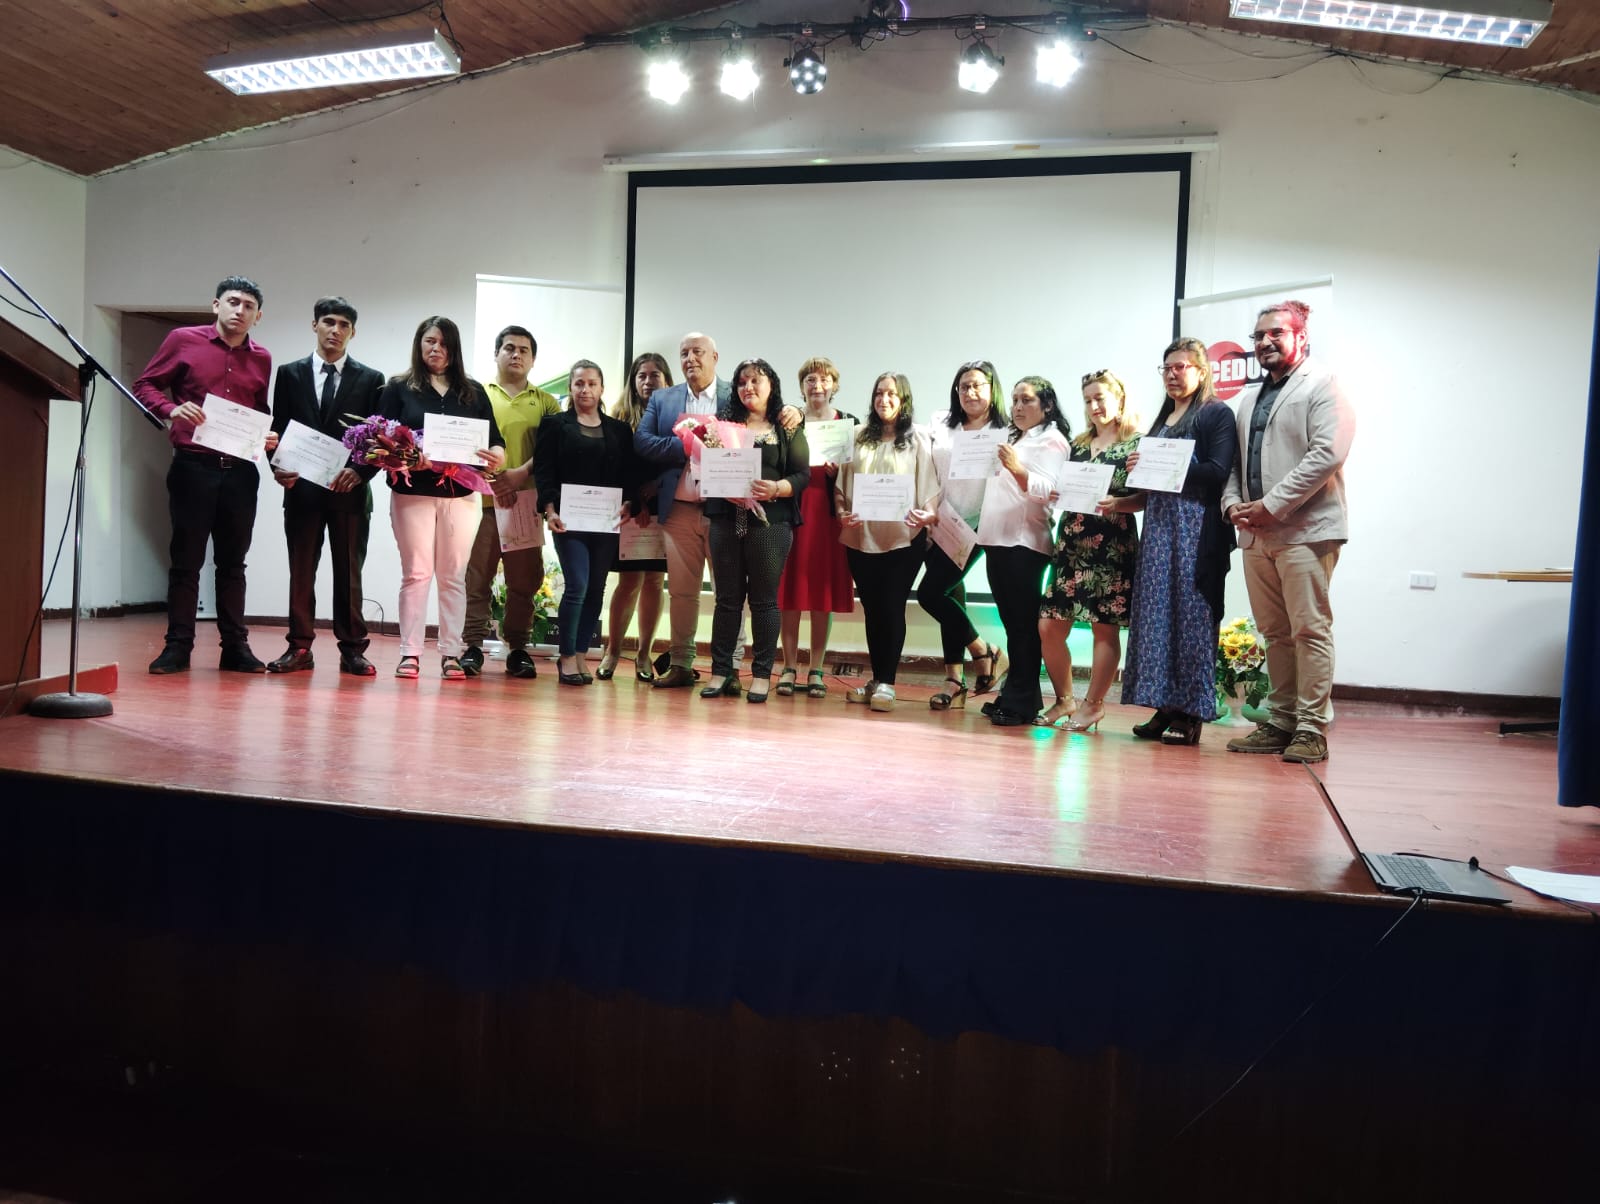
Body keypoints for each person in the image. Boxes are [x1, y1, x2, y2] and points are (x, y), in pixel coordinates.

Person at [1222, 300, 1356, 765]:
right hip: (1256, 535)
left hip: (1306, 531)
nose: (1265, 342)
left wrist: (1272, 506)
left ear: (1301, 336)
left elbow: (1327, 454)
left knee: (1310, 630)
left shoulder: (1323, 385)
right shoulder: (1248, 399)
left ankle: (1312, 728)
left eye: (1275, 333)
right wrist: (1231, 504)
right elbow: (1235, 464)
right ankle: (1281, 722)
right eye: (1259, 336)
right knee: (1275, 634)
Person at [634, 332, 798, 688]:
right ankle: (681, 663)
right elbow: (642, 442)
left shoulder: (735, 393)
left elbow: (772, 415)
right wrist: (689, 445)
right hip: (679, 509)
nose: (690, 358)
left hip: (725, 511)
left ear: (715, 357)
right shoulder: (663, 398)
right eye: (683, 353)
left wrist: (795, 411)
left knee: (730, 596)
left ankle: (730, 670)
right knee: (682, 592)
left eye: (698, 351)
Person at [135, 275, 276, 676]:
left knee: (233, 563)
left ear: (258, 316)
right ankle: (177, 647)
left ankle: (235, 648)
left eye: (248, 306)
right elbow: (145, 384)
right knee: (186, 560)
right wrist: (170, 409)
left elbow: (259, 410)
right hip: (193, 467)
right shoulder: (183, 340)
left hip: (241, 473)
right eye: (233, 302)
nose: (239, 310)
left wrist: (266, 437)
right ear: (216, 305)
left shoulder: (262, 358)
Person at [1112, 337, 1237, 745]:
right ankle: (1165, 705)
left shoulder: (1215, 413)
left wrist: (1166, 465)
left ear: (1201, 371)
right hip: (1160, 530)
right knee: (1158, 618)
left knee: (1192, 618)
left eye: (1181, 367)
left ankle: (1191, 712)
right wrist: (1137, 470)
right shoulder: (1164, 418)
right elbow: (1153, 481)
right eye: (1166, 368)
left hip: (1195, 529)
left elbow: (1217, 471)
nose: (1172, 374)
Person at [378, 317, 506, 680]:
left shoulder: (473, 391)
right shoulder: (398, 387)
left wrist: (497, 455)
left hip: (460, 494)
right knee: (416, 573)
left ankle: (451, 652)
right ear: (419, 344)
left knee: (453, 576)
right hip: (412, 493)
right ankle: (410, 653)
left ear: (455, 349)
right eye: (430, 341)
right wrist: (406, 456)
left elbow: (495, 440)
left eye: (444, 343)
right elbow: (381, 439)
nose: (436, 349)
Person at [266, 295, 385, 676]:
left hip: (349, 492)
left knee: (349, 575)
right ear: (314, 325)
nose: (335, 330)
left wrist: (361, 472)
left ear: (353, 333)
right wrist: (277, 467)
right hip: (301, 490)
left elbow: (377, 439)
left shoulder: (371, 379)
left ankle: (352, 650)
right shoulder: (289, 374)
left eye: (344, 325)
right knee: (301, 572)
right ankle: (299, 647)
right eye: (329, 322)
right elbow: (279, 428)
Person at [695, 359, 810, 703]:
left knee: (763, 602)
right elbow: (704, 466)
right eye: (742, 382)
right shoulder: (721, 427)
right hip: (725, 521)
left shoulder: (786, 426)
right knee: (727, 601)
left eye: (756, 381)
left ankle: (761, 675)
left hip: (770, 524)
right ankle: (720, 671)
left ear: (771, 386)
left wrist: (776, 488)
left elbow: (802, 475)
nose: (748, 387)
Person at [1038, 369, 1141, 731]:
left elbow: (1148, 498)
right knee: (1049, 625)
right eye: (1088, 400)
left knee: (1103, 629)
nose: (1094, 406)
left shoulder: (1137, 444)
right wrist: (1058, 494)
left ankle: (1093, 705)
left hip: (1111, 545)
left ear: (1119, 399)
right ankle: (1064, 699)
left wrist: (1119, 503)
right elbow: (1066, 487)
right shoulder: (1077, 444)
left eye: (1100, 398)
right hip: (1071, 543)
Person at [535, 360, 644, 686]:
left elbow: (629, 474)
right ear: (570, 388)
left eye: (592, 383)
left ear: (601, 388)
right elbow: (544, 470)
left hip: (605, 523)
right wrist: (549, 510)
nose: (585, 390)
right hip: (568, 521)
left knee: (597, 588)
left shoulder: (619, 431)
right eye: (579, 383)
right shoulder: (554, 425)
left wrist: (630, 502)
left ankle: (581, 654)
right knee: (578, 585)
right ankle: (567, 656)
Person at [461, 325, 561, 680]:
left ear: (533, 359)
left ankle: (517, 648)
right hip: (481, 505)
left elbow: (552, 449)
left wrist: (519, 474)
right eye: (508, 348)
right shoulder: (475, 393)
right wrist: (489, 480)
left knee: (525, 582)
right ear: (496, 354)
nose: (516, 354)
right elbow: (464, 442)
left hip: (524, 504)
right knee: (476, 579)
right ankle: (472, 646)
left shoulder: (546, 402)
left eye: (523, 350)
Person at [837, 372, 938, 713]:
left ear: (904, 399)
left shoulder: (917, 438)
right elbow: (841, 487)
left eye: (892, 394)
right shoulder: (857, 435)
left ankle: (888, 683)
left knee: (892, 606)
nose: (884, 399)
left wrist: (928, 514)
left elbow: (930, 487)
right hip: (860, 536)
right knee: (872, 609)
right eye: (879, 393)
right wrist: (842, 513)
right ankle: (876, 678)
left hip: (903, 539)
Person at [974, 377, 1072, 727]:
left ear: (1047, 405)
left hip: (1024, 542)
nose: (1017, 406)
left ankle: (1020, 702)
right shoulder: (1013, 437)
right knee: (1013, 625)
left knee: (1023, 627)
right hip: (997, 539)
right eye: (1015, 400)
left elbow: (1049, 491)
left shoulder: (1053, 440)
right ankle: (1020, 696)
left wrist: (1017, 468)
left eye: (1026, 400)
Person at [920, 360, 1009, 710]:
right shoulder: (941, 422)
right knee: (952, 594)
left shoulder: (1005, 430)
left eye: (977, 385)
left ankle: (983, 650)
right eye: (963, 386)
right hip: (937, 519)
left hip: (975, 525)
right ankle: (954, 678)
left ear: (992, 389)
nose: (970, 392)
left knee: (930, 593)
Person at [775, 356, 855, 698]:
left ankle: (816, 669)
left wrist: (840, 473)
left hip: (828, 516)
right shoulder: (789, 420)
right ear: (802, 386)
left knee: (821, 593)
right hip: (793, 513)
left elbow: (856, 475)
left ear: (834, 386)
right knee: (790, 591)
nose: (817, 385)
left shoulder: (848, 423)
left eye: (824, 380)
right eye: (810, 379)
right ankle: (789, 666)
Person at [596, 352, 672, 682]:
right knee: (629, 581)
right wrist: (635, 499)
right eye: (642, 375)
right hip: (630, 507)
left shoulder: (675, 416)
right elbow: (616, 467)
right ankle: (613, 651)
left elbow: (680, 461)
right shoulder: (620, 417)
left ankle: (644, 654)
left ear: (667, 380)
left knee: (655, 581)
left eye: (655, 375)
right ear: (633, 381)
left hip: (665, 507)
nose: (648, 381)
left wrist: (658, 488)